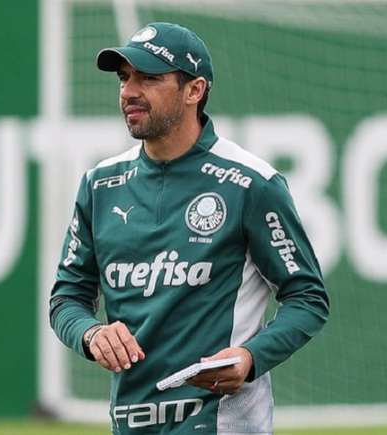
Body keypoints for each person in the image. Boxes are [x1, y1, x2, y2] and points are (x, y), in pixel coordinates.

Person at [49, 22, 329, 435]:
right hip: (132, 423)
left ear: (194, 90)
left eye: (149, 78)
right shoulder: (99, 186)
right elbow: (66, 298)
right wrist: (91, 334)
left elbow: (308, 297)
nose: (129, 91)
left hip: (225, 424)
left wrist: (251, 358)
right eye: (125, 78)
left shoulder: (252, 183)